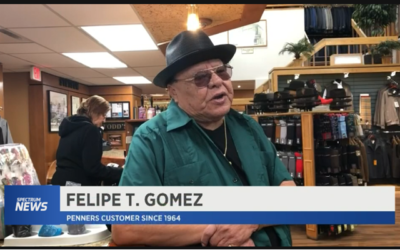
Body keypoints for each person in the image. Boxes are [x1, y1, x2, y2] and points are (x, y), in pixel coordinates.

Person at [112, 30, 295, 247]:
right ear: (174, 92)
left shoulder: (249, 127)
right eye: (201, 77)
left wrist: (250, 220)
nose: (217, 81)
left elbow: (288, 190)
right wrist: (220, 228)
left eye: (222, 71)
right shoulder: (151, 139)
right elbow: (127, 227)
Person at [51, 95, 123, 187]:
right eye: (103, 115)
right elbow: (93, 169)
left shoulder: (69, 126)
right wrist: (121, 172)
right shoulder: (90, 130)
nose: (104, 120)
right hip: (78, 187)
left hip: (59, 182)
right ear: (96, 113)